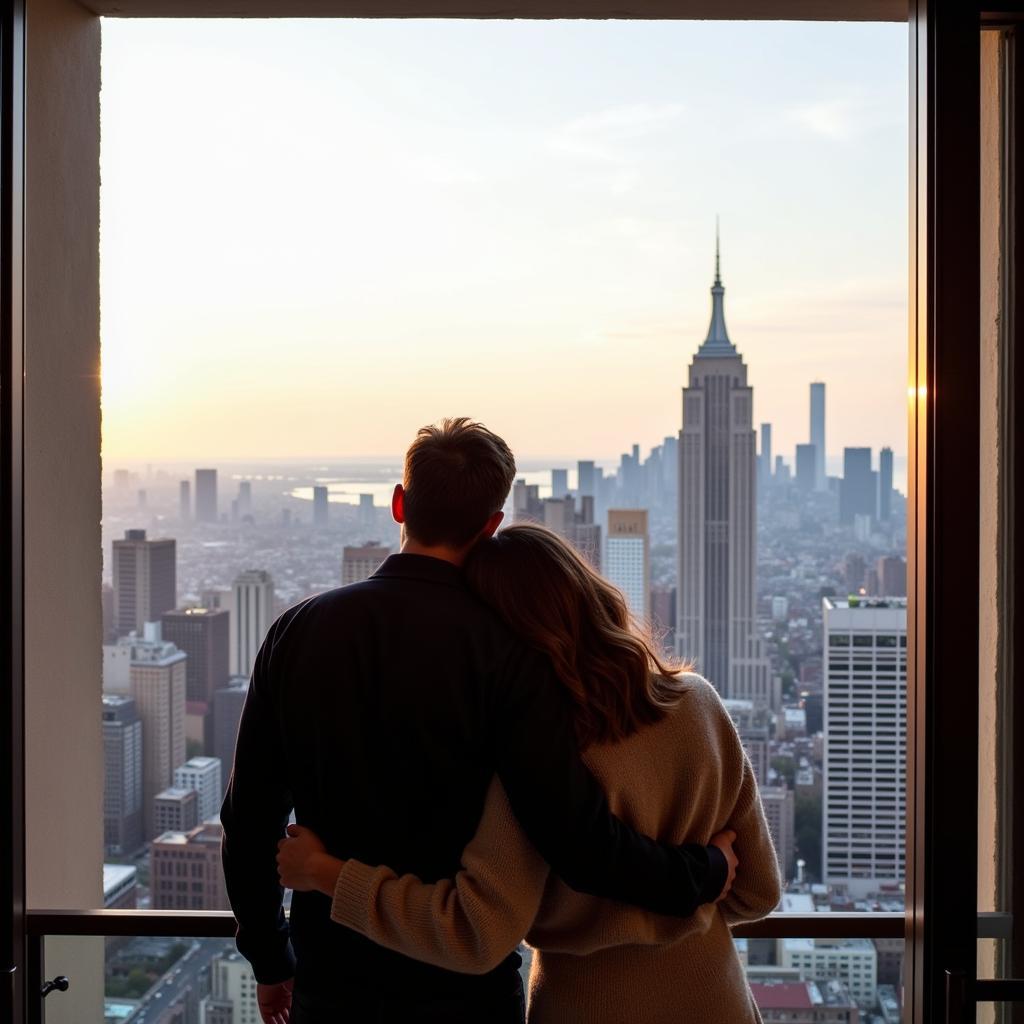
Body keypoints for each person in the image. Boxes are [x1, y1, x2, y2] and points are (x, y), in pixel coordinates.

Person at [221, 419, 737, 1024]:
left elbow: (249, 818)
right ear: (492, 524)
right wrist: (705, 872)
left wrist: (269, 956)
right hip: (465, 993)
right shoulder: (512, 652)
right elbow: (579, 841)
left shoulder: (297, 631)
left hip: (331, 981)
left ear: (398, 504)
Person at [277, 523, 782, 1023]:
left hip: (584, 1006)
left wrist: (327, 874)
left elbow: (474, 932)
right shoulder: (698, 702)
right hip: (716, 999)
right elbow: (759, 892)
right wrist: (691, 898)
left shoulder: (539, 756)